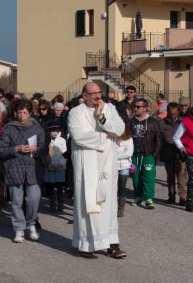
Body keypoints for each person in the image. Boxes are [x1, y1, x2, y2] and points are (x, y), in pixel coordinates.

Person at [68, 82, 126, 259]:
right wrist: (104, 137)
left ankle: (112, 244)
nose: (98, 96)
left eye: (99, 92)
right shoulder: (75, 113)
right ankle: (86, 245)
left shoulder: (109, 108)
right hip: (87, 166)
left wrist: (101, 118)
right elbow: (78, 136)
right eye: (93, 93)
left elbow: (120, 129)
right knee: (88, 205)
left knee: (108, 205)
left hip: (107, 164)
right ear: (84, 96)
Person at [0, 99, 47, 243]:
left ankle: (31, 224)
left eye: (25, 112)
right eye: (20, 112)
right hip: (14, 168)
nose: (22, 116)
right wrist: (16, 149)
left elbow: (44, 149)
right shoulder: (8, 128)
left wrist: (36, 149)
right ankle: (19, 229)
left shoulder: (37, 128)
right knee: (16, 201)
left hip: (32, 169)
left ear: (30, 113)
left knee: (33, 198)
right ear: (15, 113)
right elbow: (0, 150)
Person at [130, 98, 162, 209]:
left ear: (145, 108)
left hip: (148, 155)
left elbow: (158, 140)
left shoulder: (153, 122)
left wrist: (153, 155)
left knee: (149, 177)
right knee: (135, 177)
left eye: (138, 107)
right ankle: (138, 196)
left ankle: (149, 198)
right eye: (134, 106)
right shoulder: (131, 121)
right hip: (134, 156)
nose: (135, 108)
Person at [159, 102, 186, 205]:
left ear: (178, 112)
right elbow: (159, 139)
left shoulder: (183, 122)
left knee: (181, 175)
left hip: (180, 153)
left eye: (175, 114)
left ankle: (182, 197)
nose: (173, 116)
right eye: (171, 114)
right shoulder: (161, 123)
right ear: (167, 112)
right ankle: (171, 196)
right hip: (167, 153)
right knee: (170, 175)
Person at [43, 119, 67, 213]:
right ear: (49, 131)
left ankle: (61, 205)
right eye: (52, 131)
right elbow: (46, 155)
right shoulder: (46, 141)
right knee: (50, 187)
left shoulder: (62, 140)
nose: (54, 133)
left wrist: (60, 164)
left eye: (56, 131)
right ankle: (52, 205)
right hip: (50, 165)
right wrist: (51, 164)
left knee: (60, 187)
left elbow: (64, 153)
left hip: (60, 166)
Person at [115, 115, 134, 218]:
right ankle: (112, 207)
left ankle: (121, 208)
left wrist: (115, 156)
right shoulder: (112, 137)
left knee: (122, 188)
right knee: (113, 188)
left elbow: (129, 153)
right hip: (113, 166)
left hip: (124, 167)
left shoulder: (128, 139)